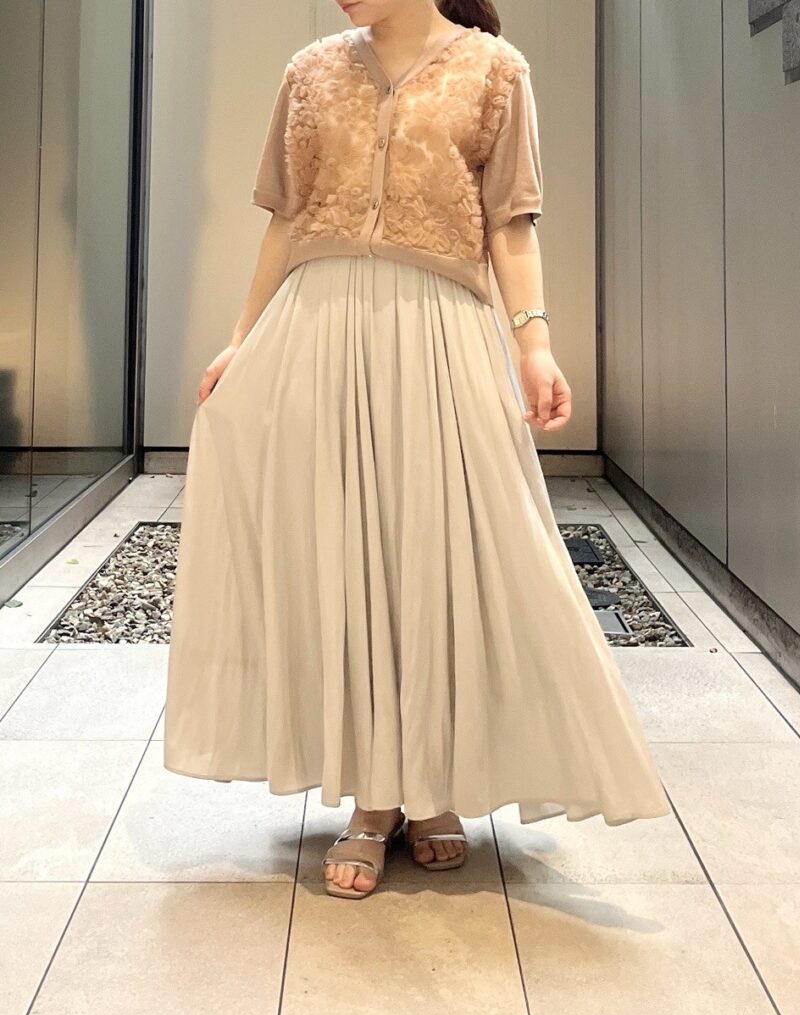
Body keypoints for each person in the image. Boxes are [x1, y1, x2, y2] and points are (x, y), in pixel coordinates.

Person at [163, 0, 671, 901]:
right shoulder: (309, 72)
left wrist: (535, 344)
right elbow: (285, 220)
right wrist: (242, 337)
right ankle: (376, 798)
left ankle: (432, 783)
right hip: (318, 329)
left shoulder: (495, 71)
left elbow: (510, 223)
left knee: (442, 556)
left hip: (439, 333)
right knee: (345, 558)